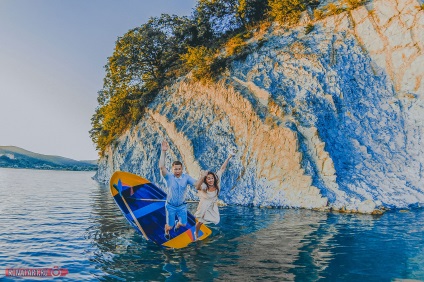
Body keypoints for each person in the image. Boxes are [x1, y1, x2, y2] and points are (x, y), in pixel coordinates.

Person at [159, 140, 201, 240]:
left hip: (182, 206)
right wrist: (163, 151)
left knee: (183, 223)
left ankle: (178, 225)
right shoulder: (169, 177)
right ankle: (167, 231)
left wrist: (203, 178)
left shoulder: (186, 177)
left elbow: (196, 184)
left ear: (182, 169)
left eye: (179, 169)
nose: (177, 171)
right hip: (170, 206)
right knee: (170, 226)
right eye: (175, 169)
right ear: (172, 169)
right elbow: (161, 167)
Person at [194, 153, 234, 240]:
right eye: (208, 178)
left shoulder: (217, 180)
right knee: (200, 221)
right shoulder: (204, 186)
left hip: (212, 204)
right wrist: (202, 176)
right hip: (204, 204)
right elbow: (197, 186)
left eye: (212, 178)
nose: (211, 180)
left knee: (216, 219)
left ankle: (198, 220)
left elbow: (222, 168)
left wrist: (229, 156)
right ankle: (196, 233)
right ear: (206, 180)